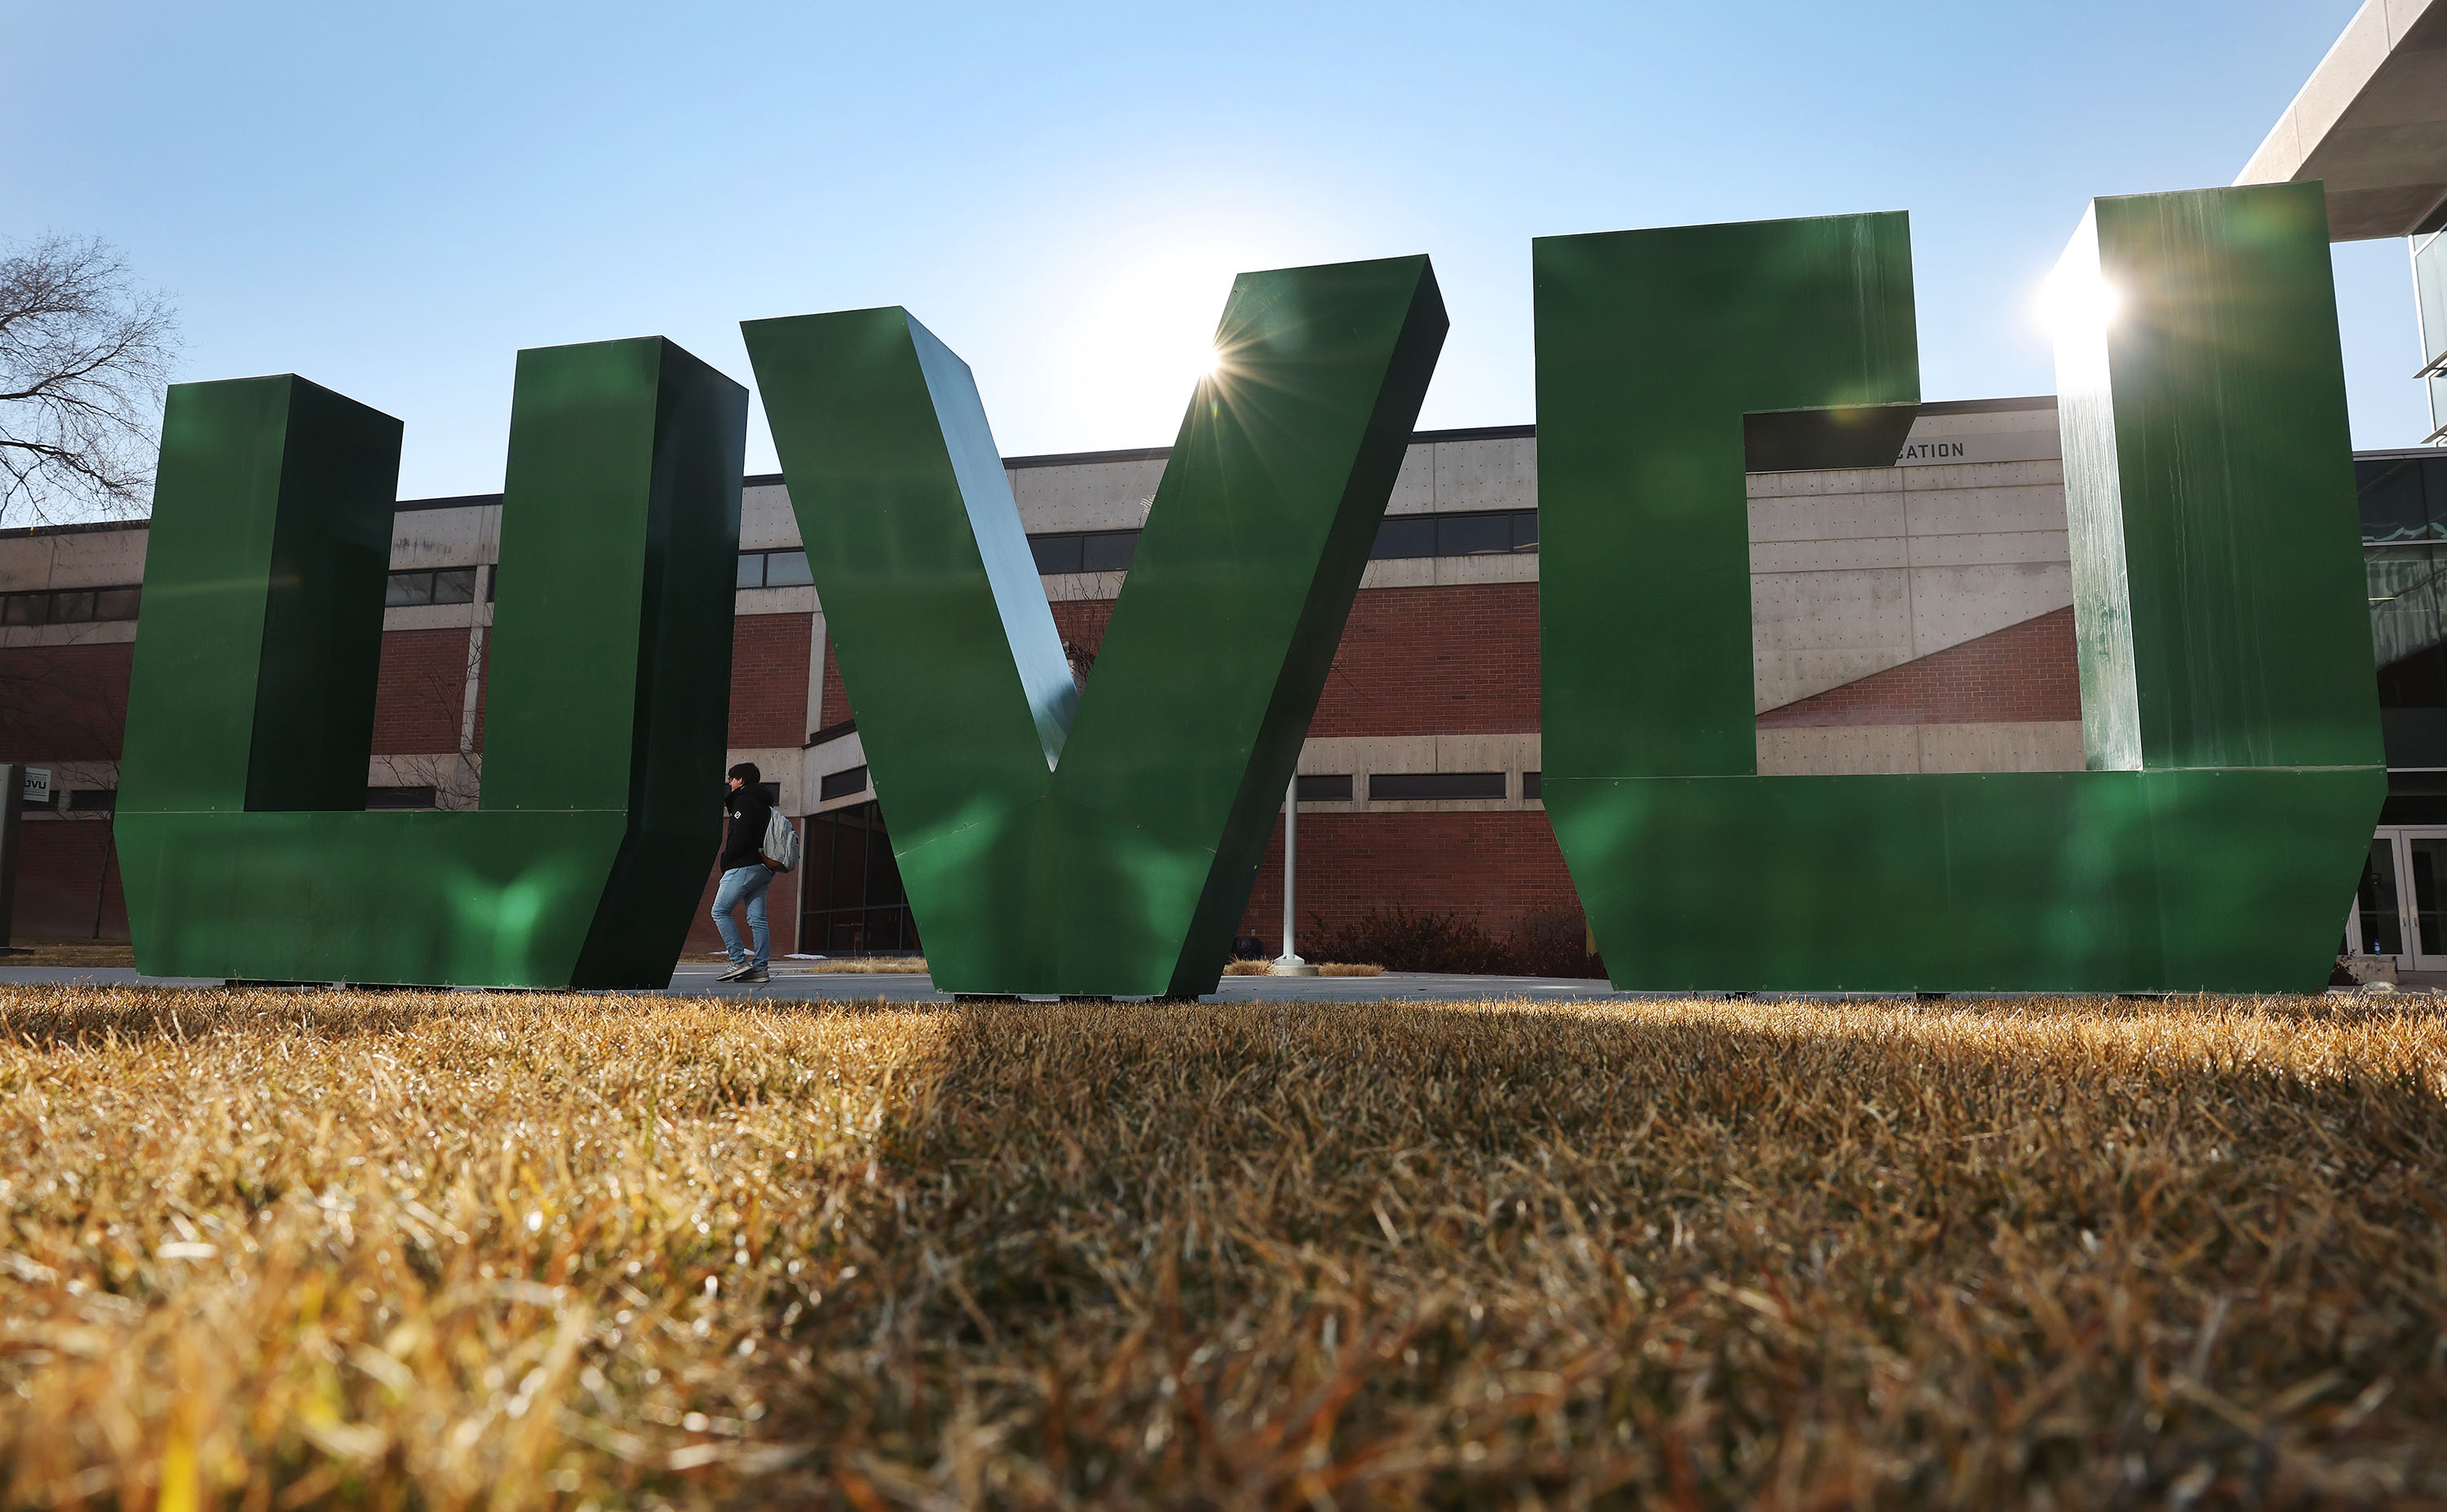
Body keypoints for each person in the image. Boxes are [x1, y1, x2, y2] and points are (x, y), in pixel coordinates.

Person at [712, 762, 776, 983]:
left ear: (741, 780)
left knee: (719, 911)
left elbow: (741, 835)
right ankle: (760, 970)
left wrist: (726, 859)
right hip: (763, 866)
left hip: (743, 865)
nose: (729, 783)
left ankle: (738, 961)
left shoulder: (744, 800)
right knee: (758, 919)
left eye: (732, 778)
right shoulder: (764, 804)